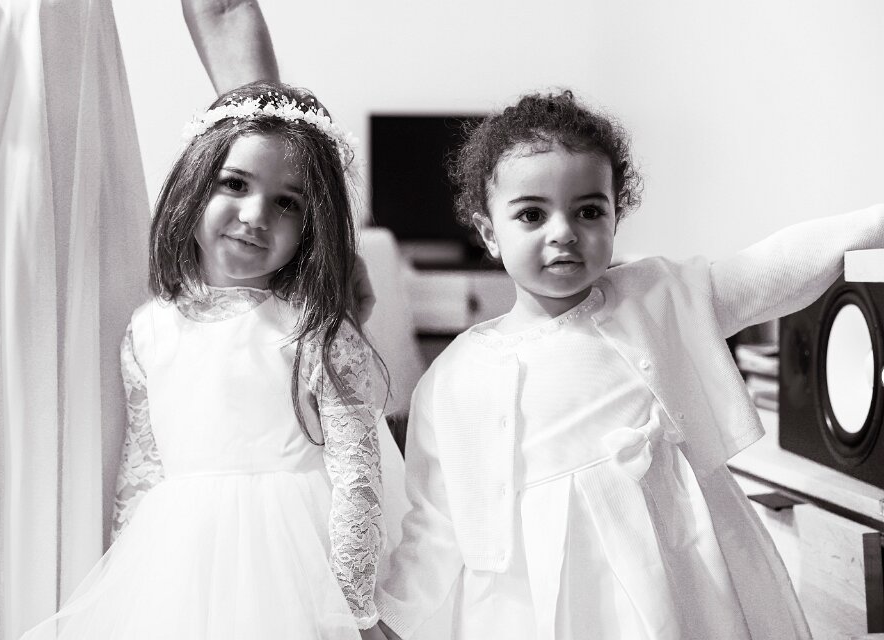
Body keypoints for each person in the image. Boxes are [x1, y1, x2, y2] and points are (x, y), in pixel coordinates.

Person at [374, 90, 884, 640]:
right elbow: (435, 525)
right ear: (488, 232)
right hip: (534, 608)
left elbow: (768, 271)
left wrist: (872, 224)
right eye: (531, 214)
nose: (563, 231)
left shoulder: (654, 298)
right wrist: (389, 621)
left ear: (616, 216)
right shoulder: (452, 379)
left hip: (682, 580)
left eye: (589, 211)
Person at [21, 82, 391, 640]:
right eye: (235, 184)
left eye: (287, 202)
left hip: (295, 570)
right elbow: (142, 471)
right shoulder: (148, 331)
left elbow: (358, 476)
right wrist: (129, 585)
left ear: (312, 224)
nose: (255, 214)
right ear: (193, 185)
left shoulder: (316, 330)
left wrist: (352, 609)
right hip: (178, 571)